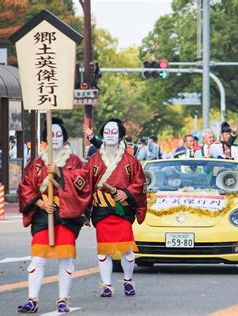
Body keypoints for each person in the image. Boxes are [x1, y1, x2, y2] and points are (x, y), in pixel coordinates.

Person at [17, 118, 91, 313]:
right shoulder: (37, 162)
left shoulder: (74, 161)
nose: (55, 138)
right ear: (45, 140)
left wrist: (59, 172)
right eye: (51, 135)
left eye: (58, 134)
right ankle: (32, 299)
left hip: (67, 213)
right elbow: (25, 186)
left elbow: (83, 184)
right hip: (44, 214)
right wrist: (41, 202)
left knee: (65, 259)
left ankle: (63, 299)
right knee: (37, 259)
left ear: (64, 137)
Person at [85, 118, 147, 297]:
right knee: (103, 250)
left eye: (114, 132)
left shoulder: (130, 161)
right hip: (102, 209)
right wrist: (83, 212)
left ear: (120, 136)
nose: (110, 135)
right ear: (102, 136)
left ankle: (128, 281)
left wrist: (127, 193)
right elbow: (86, 186)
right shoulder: (94, 160)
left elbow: (140, 183)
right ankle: (107, 285)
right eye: (107, 132)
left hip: (122, 208)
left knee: (127, 250)